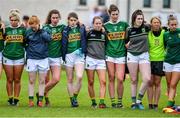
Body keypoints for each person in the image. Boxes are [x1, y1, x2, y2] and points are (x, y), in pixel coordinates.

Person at [104, 4, 129, 108]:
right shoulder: (105, 26)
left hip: (121, 54)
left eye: (117, 14)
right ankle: (113, 102)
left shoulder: (124, 24)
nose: (115, 16)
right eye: (113, 14)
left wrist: (130, 42)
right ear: (110, 14)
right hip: (109, 54)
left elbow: (133, 33)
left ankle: (119, 101)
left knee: (119, 78)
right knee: (111, 77)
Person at [126, 9, 151, 110]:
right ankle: (133, 103)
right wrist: (127, 44)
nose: (140, 20)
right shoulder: (129, 30)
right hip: (132, 55)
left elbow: (158, 27)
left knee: (147, 79)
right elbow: (125, 43)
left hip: (144, 55)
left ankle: (138, 100)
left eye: (141, 18)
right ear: (134, 19)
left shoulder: (146, 27)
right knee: (133, 79)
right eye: (138, 18)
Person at [25, 15, 51, 107]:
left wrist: (41, 30)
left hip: (43, 59)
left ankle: (40, 100)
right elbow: (25, 42)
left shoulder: (45, 31)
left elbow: (48, 39)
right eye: (31, 25)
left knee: (42, 81)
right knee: (31, 80)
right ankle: (30, 100)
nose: (33, 27)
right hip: (32, 59)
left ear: (38, 24)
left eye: (34, 25)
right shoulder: (28, 32)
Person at [62, 12, 86, 107]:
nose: (72, 22)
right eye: (71, 20)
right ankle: (72, 100)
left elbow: (90, 31)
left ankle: (75, 97)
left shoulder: (81, 28)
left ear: (77, 20)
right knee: (70, 79)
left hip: (79, 55)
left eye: (74, 20)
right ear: (68, 20)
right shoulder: (64, 30)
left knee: (79, 77)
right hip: (68, 55)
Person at [3, 9, 26, 106]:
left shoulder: (23, 30)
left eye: (15, 20)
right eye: (11, 20)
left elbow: (26, 42)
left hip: (19, 57)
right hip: (7, 56)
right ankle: (10, 98)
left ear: (18, 20)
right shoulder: (6, 30)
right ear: (10, 20)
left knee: (17, 79)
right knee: (9, 79)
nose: (13, 22)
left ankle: (16, 99)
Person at [42, 9, 65, 106]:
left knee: (56, 79)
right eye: (53, 18)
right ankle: (46, 100)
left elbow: (74, 26)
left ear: (59, 18)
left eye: (57, 18)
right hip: (46, 57)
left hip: (56, 57)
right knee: (46, 80)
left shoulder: (62, 27)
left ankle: (40, 93)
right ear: (50, 18)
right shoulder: (45, 27)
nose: (55, 19)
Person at [86, 16, 107, 108]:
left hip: (101, 60)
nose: (98, 25)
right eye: (96, 23)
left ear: (102, 24)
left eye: (99, 23)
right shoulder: (89, 33)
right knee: (91, 82)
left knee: (103, 81)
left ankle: (101, 102)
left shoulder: (104, 34)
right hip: (90, 59)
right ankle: (93, 102)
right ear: (93, 24)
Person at [147, 17, 165, 110]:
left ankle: (156, 104)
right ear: (151, 24)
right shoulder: (148, 33)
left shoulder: (163, 33)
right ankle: (150, 104)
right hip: (150, 60)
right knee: (150, 83)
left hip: (160, 60)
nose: (156, 24)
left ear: (160, 24)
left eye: (158, 22)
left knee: (157, 83)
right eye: (154, 22)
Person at [163, 15, 180, 109]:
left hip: (178, 62)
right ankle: (171, 101)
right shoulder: (165, 35)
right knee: (169, 84)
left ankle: (169, 106)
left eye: (175, 25)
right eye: (172, 25)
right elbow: (165, 46)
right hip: (168, 62)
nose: (174, 26)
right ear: (168, 25)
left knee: (173, 84)